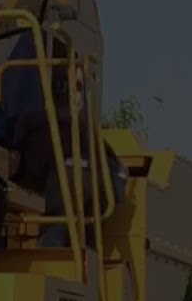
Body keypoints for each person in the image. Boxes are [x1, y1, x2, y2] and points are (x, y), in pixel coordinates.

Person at [9, 68, 127, 248]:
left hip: (44, 188)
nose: (78, 95)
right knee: (72, 179)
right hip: (54, 193)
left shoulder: (30, 122)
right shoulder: (69, 129)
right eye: (77, 87)